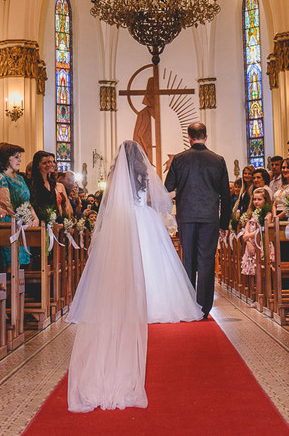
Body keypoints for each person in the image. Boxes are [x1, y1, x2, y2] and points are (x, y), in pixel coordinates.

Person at [66, 141, 201, 413]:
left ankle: (120, 301)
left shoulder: (114, 174)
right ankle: (155, 302)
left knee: (118, 264)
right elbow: (159, 199)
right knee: (154, 261)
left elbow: (106, 204)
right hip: (144, 218)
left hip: (121, 220)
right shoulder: (146, 173)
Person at [163, 121, 232, 317]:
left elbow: (168, 188)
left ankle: (188, 304)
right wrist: (224, 223)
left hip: (186, 216)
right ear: (206, 136)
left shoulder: (179, 159)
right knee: (207, 261)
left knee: (188, 260)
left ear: (189, 137)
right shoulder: (218, 160)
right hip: (210, 217)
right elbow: (226, 195)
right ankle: (203, 308)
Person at [0, 143, 28, 268]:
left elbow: (26, 201)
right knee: (10, 264)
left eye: (20, 157)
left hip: (20, 222)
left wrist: (34, 218)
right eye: (16, 157)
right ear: (5, 158)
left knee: (19, 265)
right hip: (8, 221)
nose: (20, 160)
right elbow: (6, 204)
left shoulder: (20, 178)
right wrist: (22, 217)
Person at [29, 150, 74, 219]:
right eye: (44, 163)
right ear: (37, 165)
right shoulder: (33, 183)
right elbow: (35, 204)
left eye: (49, 162)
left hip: (54, 220)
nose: (48, 165)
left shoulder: (51, 183)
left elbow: (55, 205)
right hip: (41, 220)